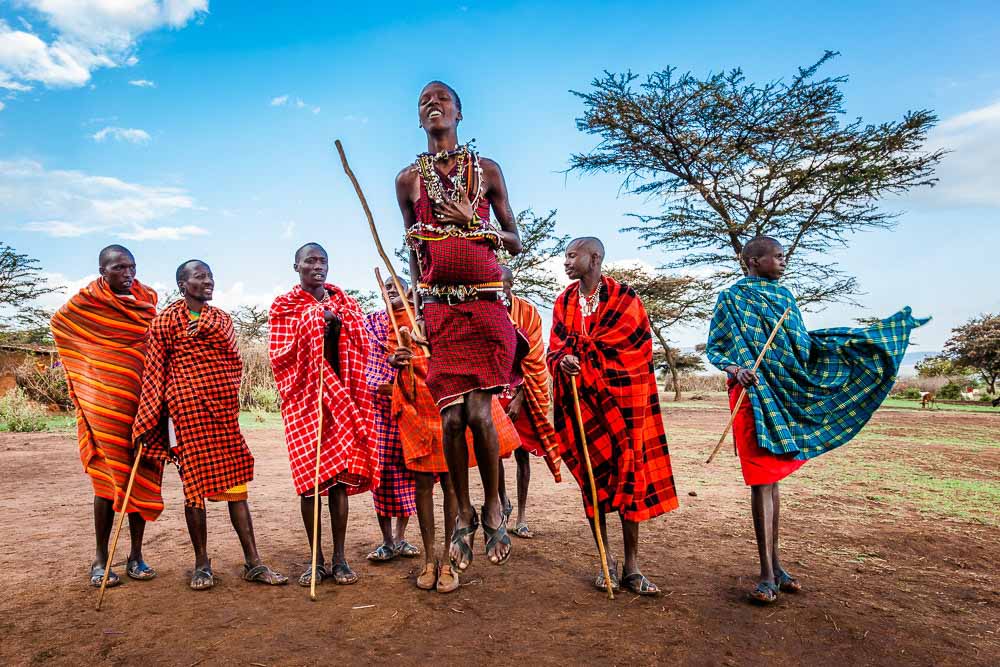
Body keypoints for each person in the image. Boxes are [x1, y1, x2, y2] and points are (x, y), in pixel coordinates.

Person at [706, 235, 929, 604]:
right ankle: (765, 573)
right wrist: (736, 367)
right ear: (753, 261)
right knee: (762, 481)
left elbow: (802, 347)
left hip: (784, 392)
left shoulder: (786, 298)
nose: (783, 262)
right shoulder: (731, 298)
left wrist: (844, 346)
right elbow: (715, 347)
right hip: (751, 395)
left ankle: (776, 566)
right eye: (777, 257)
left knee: (772, 482)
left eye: (783, 257)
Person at [395, 80, 523, 571]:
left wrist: (475, 220)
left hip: (487, 305)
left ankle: (492, 506)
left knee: (479, 415)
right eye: (424, 102)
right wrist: (417, 307)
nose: (432, 106)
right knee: (451, 417)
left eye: (442, 101)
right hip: (441, 312)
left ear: (459, 114)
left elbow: (514, 241)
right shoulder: (408, 181)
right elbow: (413, 251)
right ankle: (464, 511)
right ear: (419, 118)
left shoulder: (486, 171)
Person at [133, 260, 287, 590]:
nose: (208, 281)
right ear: (182, 284)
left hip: (220, 415)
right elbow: (155, 372)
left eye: (210, 276)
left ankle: (253, 562)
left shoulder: (221, 321)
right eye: (200, 277)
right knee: (193, 491)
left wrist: (215, 391)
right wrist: (147, 420)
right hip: (184, 415)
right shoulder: (164, 324)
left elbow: (233, 363)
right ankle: (202, 564)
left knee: (236, 489)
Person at [548, 237, 679, 596]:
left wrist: (586, 357)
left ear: (595, 258)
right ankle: (606, 561)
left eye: (573, 255)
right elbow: (555, 349)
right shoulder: (564, 302)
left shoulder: (626, 299)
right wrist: (564, 360)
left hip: (624, 403)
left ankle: (633, 567)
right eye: (565, 256)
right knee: (593, 481)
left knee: (628, 478)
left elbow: (636, 352)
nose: (566, 262)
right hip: (582, 403)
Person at [51, 245, 164, 588]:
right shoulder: (86, 304)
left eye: (131, 267)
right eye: (118, 268)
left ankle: (136, 556)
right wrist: (89, 383)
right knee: (106, 483)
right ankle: (101, 559)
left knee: (141, 476)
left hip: (143, 407)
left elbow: (156, 350)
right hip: (104, 409)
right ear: (104, 271)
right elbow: (60, 326)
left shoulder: (147, 304)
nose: (127, 273)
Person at [269, 243, 379, 586]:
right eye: (310, 261)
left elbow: (362, 341)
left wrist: (336, 320)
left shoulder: (345, 303)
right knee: (310, 485)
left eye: (322, 261)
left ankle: (340, 558)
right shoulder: (285, 307)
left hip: (343, 399)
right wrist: (316, 320)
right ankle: (315, 560)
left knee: (338, 485)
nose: (317, 266)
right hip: (304, 402)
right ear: (296, 266)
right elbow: (279, 355)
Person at [389, 319, 521, 593]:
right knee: (423, 484)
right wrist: (397, 358)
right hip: (417, 403)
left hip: (448, 396)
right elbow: (389, 359)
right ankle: (428, 561)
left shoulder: (451, 308)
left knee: (451, 483)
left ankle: (449, 563)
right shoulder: (401, 317)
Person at [497, 266, 562, 538]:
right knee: (493, 453)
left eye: (501, 284)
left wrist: (520, 398)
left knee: (523, 455)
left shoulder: (528, 313)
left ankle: (521, 516)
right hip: (494, 391)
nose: (497, 288)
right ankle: (503, 505)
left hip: (521, 390)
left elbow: (534, 358)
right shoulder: (485, 309)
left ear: (511, 284)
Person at [363, 276, 419, 563]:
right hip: (379, 406)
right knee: (381, 472)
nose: (390, 292)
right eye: (385, 288)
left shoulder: (416, 322)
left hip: (411, 405)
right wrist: (388, 364)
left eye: (396, 288)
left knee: (409, 470)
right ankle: (386, 541)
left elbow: (424, 362)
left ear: (408, 292)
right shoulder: (370, 323)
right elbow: (364, 360)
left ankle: (401, 538)